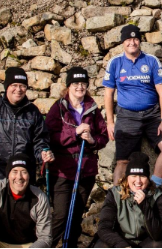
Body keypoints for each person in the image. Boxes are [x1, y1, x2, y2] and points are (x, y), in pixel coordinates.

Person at [103, 24, 162, 187]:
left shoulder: (151, 60)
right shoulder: (115, 63)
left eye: (136, 39)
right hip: (127, 116)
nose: (132, 42)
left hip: (152, 115)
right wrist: (110, 122)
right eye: (128, 39)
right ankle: (117, 200)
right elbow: (108, 94)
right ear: (123, 42)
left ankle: (153, 186)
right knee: (122, 161)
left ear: (140, 41)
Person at [45, 66, 109, 247]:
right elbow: (49, 136)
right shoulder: (58, 108)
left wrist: (91, 140)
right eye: (75, 83)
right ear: (68, 86)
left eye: (83, 83)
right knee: (61, 215)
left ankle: (70, 245)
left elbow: (103, 137)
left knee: (76, 213)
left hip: (85, 170)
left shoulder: (93, 109)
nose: (80, 87)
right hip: (63, 170)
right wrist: (74, 133)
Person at [0, 67, 53, 184]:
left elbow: (40, 139)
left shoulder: (33, 112)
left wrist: (43, 152)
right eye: (14, 85)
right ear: (7, 87)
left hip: (23, 176)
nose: (18, 89)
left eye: (22, 86)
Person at [95, 152, 162, 248]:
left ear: (148, 178)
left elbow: (158, 234)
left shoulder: (157, 196)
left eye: (142, 176)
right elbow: (104, 228)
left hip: (146, 241)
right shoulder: (114, 194)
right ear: (127, 177)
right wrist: (122, 245)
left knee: (159, 245)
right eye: (134, 176)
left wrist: (145, 206)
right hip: (121, 240)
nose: (138, 181)